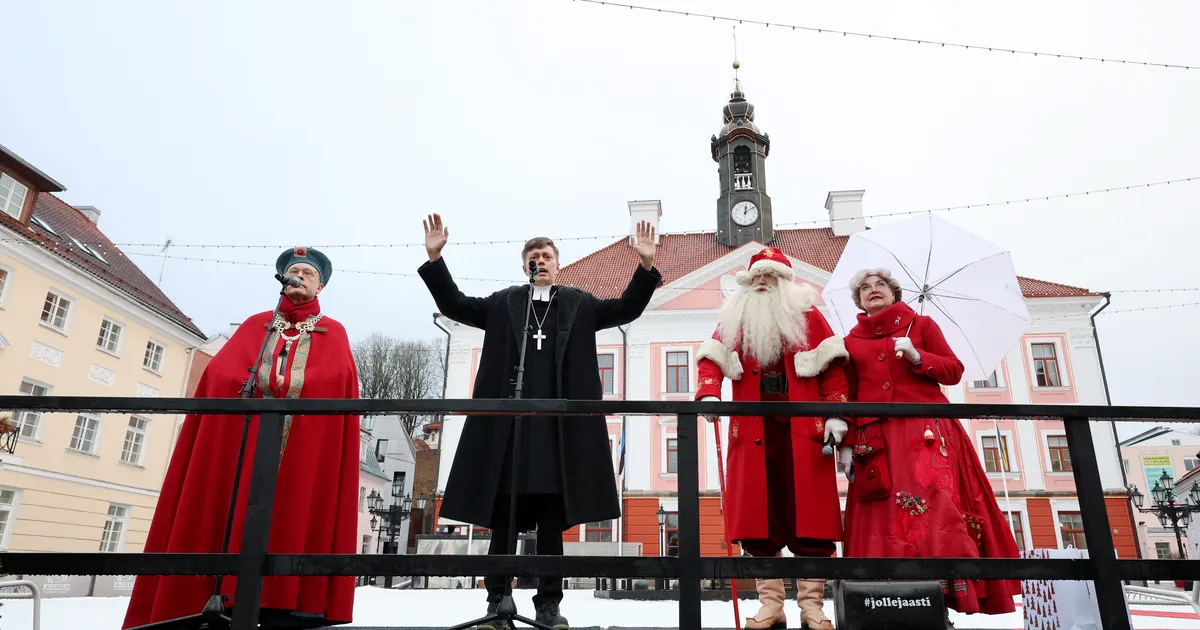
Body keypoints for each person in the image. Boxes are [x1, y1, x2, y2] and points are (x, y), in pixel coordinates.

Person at [417, 213, 661, 630]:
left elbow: (626, 308)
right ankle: (498, 603)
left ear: (558, 264)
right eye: (533, 255)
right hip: (509, 432)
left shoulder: (579, 304)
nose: (540, 261)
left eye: (547, 255)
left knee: (551, 521)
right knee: (503, 520)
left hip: (557, 433)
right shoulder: (503, 303)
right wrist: (436, 259)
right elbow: (454, 304)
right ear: (524, 265)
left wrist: (645, 267)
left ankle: (549, 604)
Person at [123, 247, 361, 630]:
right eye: (294, 271)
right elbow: (220, 378)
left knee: (294, 514)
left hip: (302, 455)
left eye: (309, 273)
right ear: (283, 279)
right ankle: (213, 594)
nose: (300, 276)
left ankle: (288, 604)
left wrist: (290, 386)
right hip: (240, 451)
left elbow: (337, 386)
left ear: (322, 285)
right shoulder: (256, 326)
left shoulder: (334, 334)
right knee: (228, 512)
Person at [838, 268, 1021, 629]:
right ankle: (884, 601)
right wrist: (846, 445)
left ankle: (940, 601)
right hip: (877, 443)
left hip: (926, 435)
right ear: (857, 300)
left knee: (936, 511)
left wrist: (920, 357)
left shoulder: (921, 326)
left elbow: (953, 370)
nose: (873, 291)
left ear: (894, 293)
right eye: (864, 288)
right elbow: (850, 395)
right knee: (883, 517)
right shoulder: (850, 341)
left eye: (880, 286)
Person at [694, 247, 849, 630]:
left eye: (771, 277)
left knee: (810, 520)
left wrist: (836, 412)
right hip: (752, 432)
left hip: (804, 433)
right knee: (758, 522)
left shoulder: (810, 318)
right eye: (757, 277)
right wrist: (710, 391)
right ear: (747, 283)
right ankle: (771, 605)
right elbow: (711, 358)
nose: (763, 283)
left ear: (785, 282)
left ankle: (812, 606)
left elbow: (832, 371)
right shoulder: (736, 317)